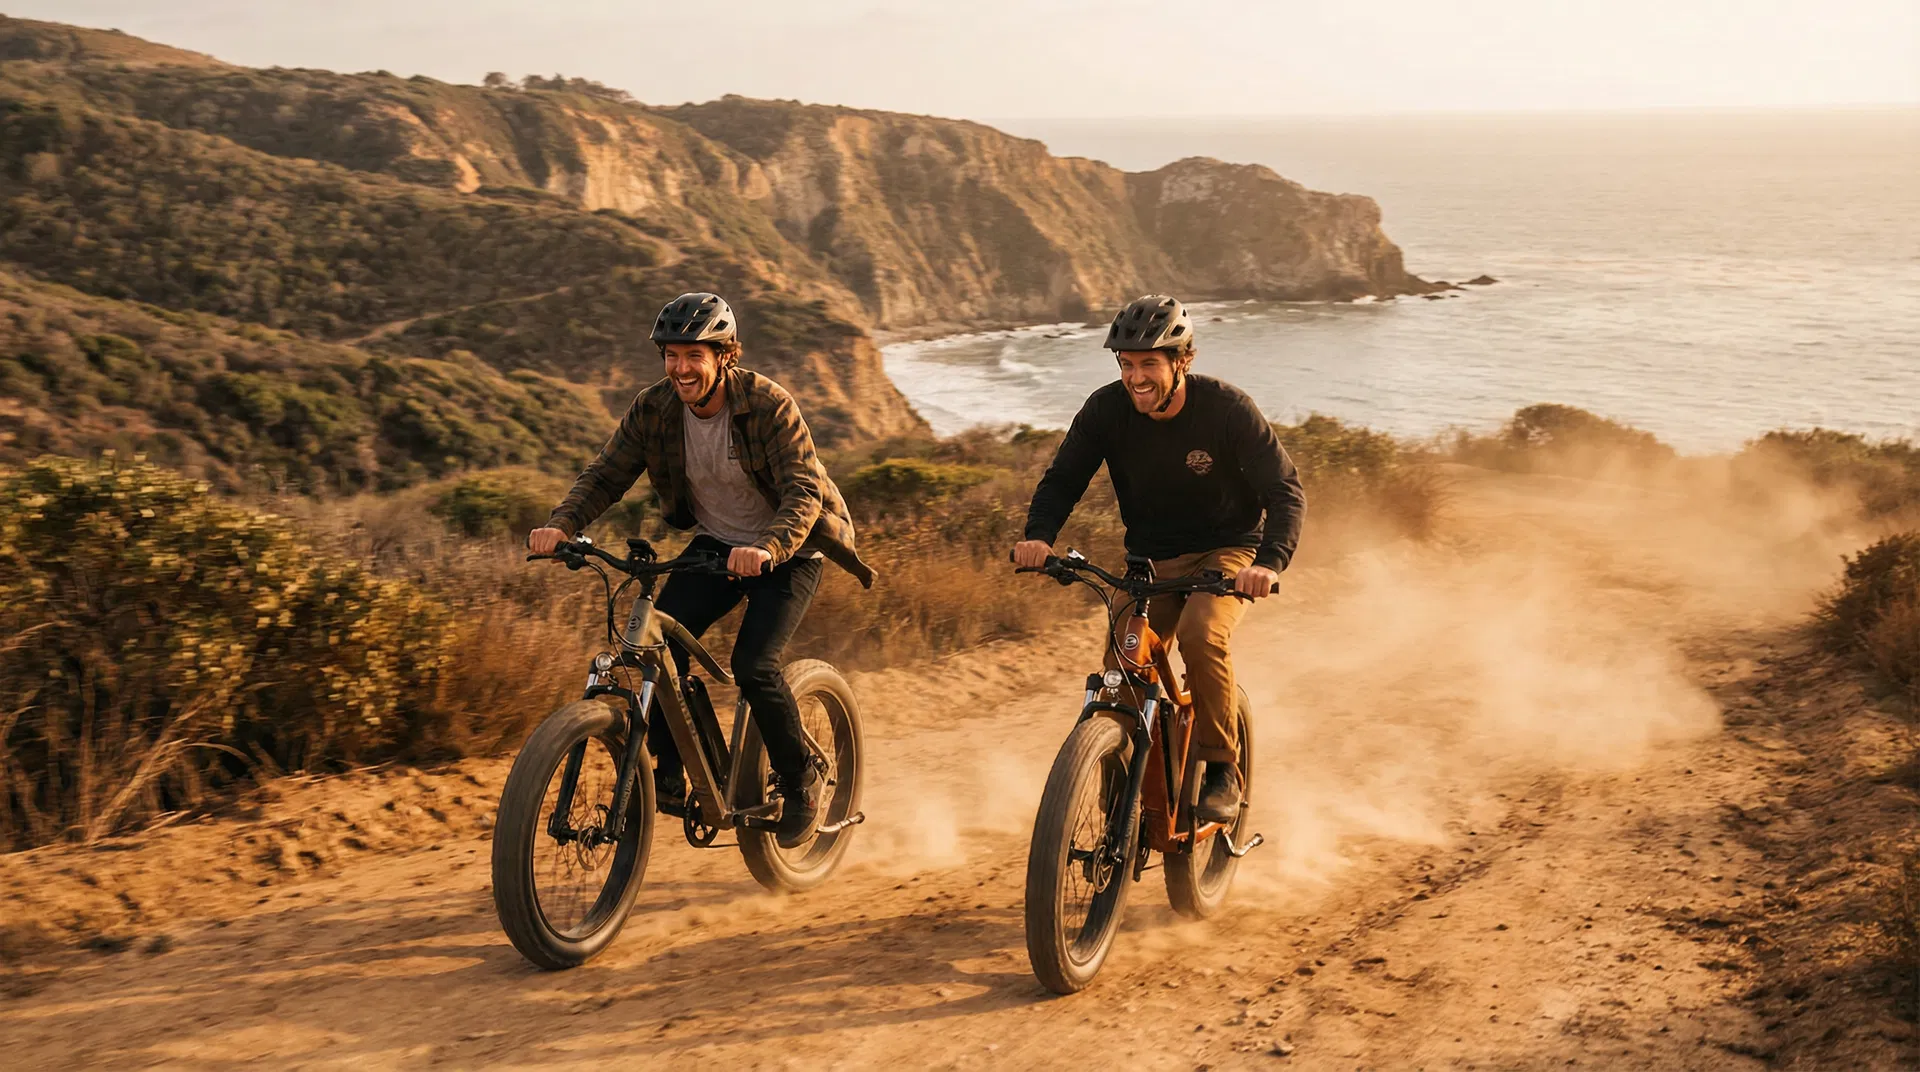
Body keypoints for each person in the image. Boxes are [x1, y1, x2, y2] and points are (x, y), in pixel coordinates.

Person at [527, 292, 874, 849]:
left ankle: (802, 783)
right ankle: (670, 765)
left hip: (792, 548)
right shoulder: (654, 408)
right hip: (717, 546)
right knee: (655, 644)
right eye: (671, 355)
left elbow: (803, 489)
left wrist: (769, 546)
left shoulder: (768, 404)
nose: (681, 368)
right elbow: (605, 474)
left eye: (695, 354)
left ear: (723, 355)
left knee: (754, 664)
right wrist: (562, 523)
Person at [1011, 295, 1305, 823]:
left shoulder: (1226, 409)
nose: (1136, 377)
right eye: (1126, 364)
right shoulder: (1106, 410)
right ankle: (1122, 774)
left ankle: (1220, 767)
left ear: (1182, 361)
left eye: (1149, 363)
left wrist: (1268, 563)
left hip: (1229, 550)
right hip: (1151, 560)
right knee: (1122, 667)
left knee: (1201, 634)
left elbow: (1284, 491)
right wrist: (1039, 536)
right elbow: (1063, 479)